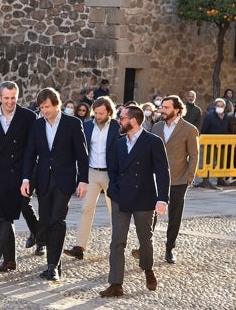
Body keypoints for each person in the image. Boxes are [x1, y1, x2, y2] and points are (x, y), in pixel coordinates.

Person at [99, 105, 170, 298]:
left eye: (122, 118)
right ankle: (116, 284)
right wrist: (113, 190)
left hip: (144, 198)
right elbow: (112, 169)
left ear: (133, 120)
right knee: (117, 241)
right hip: (121, 197)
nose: (119, 121)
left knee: (145, 240)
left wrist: (162, 199)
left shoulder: (152, 141)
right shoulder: (119, 143)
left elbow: (163, 172)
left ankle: (148, 269)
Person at [21, 87, 88, 281]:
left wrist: (83, 180)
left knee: (57, 219)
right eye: (41, 107)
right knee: (46, 220)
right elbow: (30, 153)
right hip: (43, 179)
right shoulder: (37, 125)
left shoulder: (73, 124)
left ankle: (53, 267)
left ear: (57, 104)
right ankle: (54, 264)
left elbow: (82, 155)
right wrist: (26, 179)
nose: (44, 110)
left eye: (47, 106)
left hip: (64, 179)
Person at [0, 81, 36, 275]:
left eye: (13, 98)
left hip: (18, 175)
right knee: (4, 216)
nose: (10, 102)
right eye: (6, 98)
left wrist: (27, 177)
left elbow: (31, 149)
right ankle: (10, 261)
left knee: (5, 215)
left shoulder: (28, 117)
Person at [64, 96, 120, 260]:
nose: (98, 116)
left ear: (109, 112)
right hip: (91, 172)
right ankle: (80, 246)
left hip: (112, 174)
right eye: (95, 113)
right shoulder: (87, 126)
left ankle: (116, 246)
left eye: (101, 113)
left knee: (114, 211)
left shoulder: (117, 127)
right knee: (86, 208)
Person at [151, 95, 199, 264]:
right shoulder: (156, 127)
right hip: (156, 178)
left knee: (174, 216)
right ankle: (145, 246)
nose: (162, 110)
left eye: (166, 107)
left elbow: (194, 156)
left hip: (178, 179)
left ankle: (169, 248)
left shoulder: (189, 129)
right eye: (162, 107)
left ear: (177, 110)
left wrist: (189, 177)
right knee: (151, 214)